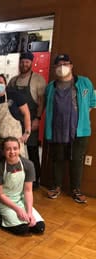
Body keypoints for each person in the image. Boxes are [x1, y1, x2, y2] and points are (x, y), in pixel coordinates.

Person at [45, 54, 96, 203]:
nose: (62, 67)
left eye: (65, 63)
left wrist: (82, 118)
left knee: (77, 160)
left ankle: (76, 190)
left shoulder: (84, 82)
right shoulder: (50, 87)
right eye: (59, 64)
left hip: (79, 129)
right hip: (57, 129)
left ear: (71, 66)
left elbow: (92, 102)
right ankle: (56, 187)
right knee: (57, 159)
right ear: (55, 68)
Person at [0, 137, 45, 235]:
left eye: (15, 148)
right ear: (3, 151)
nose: (12, 152)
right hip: (4, 201)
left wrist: (29, 212)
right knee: (23, 229)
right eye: (8, 149)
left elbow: (28, 191)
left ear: (19, 149)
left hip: (20, 199)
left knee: (39, 227)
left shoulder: (28, 165)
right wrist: (17, 209)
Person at [8, 52, 46, 188]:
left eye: (27, 62)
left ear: (31, 63)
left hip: (31, 120)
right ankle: (18, 178)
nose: (24, 64)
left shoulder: (38, 80)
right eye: (22, 61)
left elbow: (41, 102)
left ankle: (35, 180)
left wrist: (38, 118)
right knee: (16, 150)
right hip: (15, 122)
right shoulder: (13, 80)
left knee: (32, 149)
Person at [0, 74, 31, 158]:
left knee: (16, 166)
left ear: (5, 84)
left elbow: (26, 113)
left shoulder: (15, 95)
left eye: (1, 82)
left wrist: (27, 132)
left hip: (14, 140)